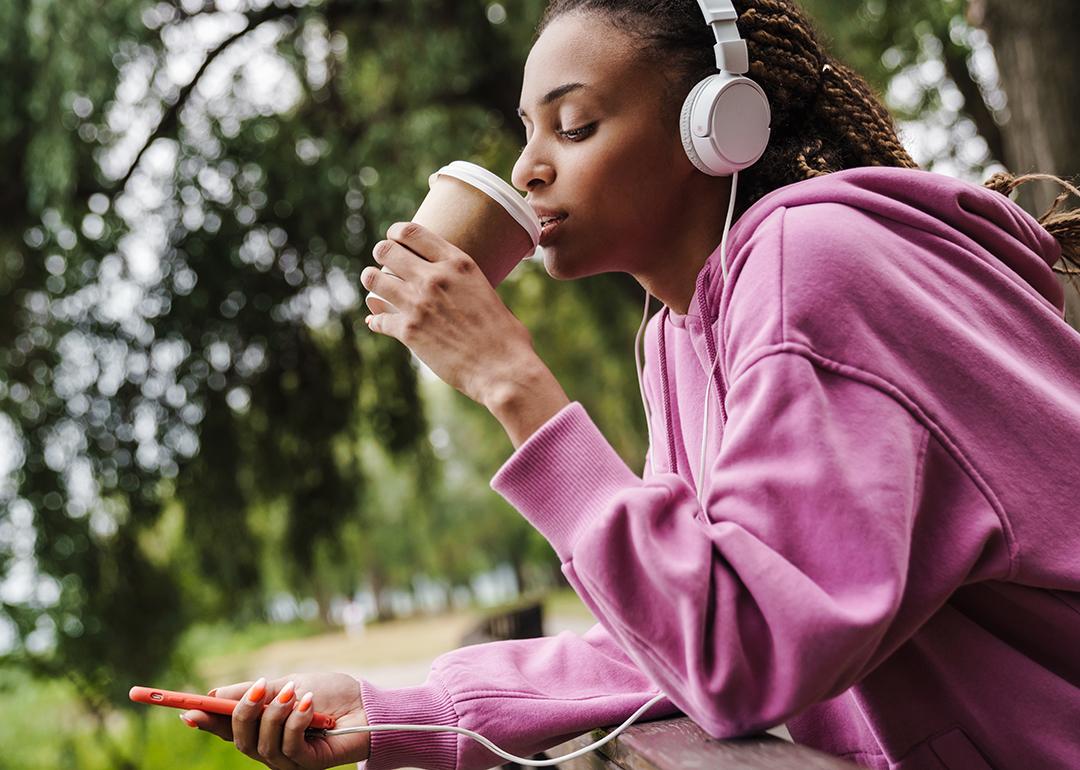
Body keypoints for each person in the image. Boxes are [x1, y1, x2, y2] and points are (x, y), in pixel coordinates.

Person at [181, 1, 1080, 768]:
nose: (529, 168)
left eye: (573, 127)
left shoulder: (818, 267)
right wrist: (394, 710)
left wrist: (509, 379)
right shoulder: (677, 340)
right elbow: (668, 634)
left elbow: (744, 650)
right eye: (528, 131)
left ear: (716, 128)